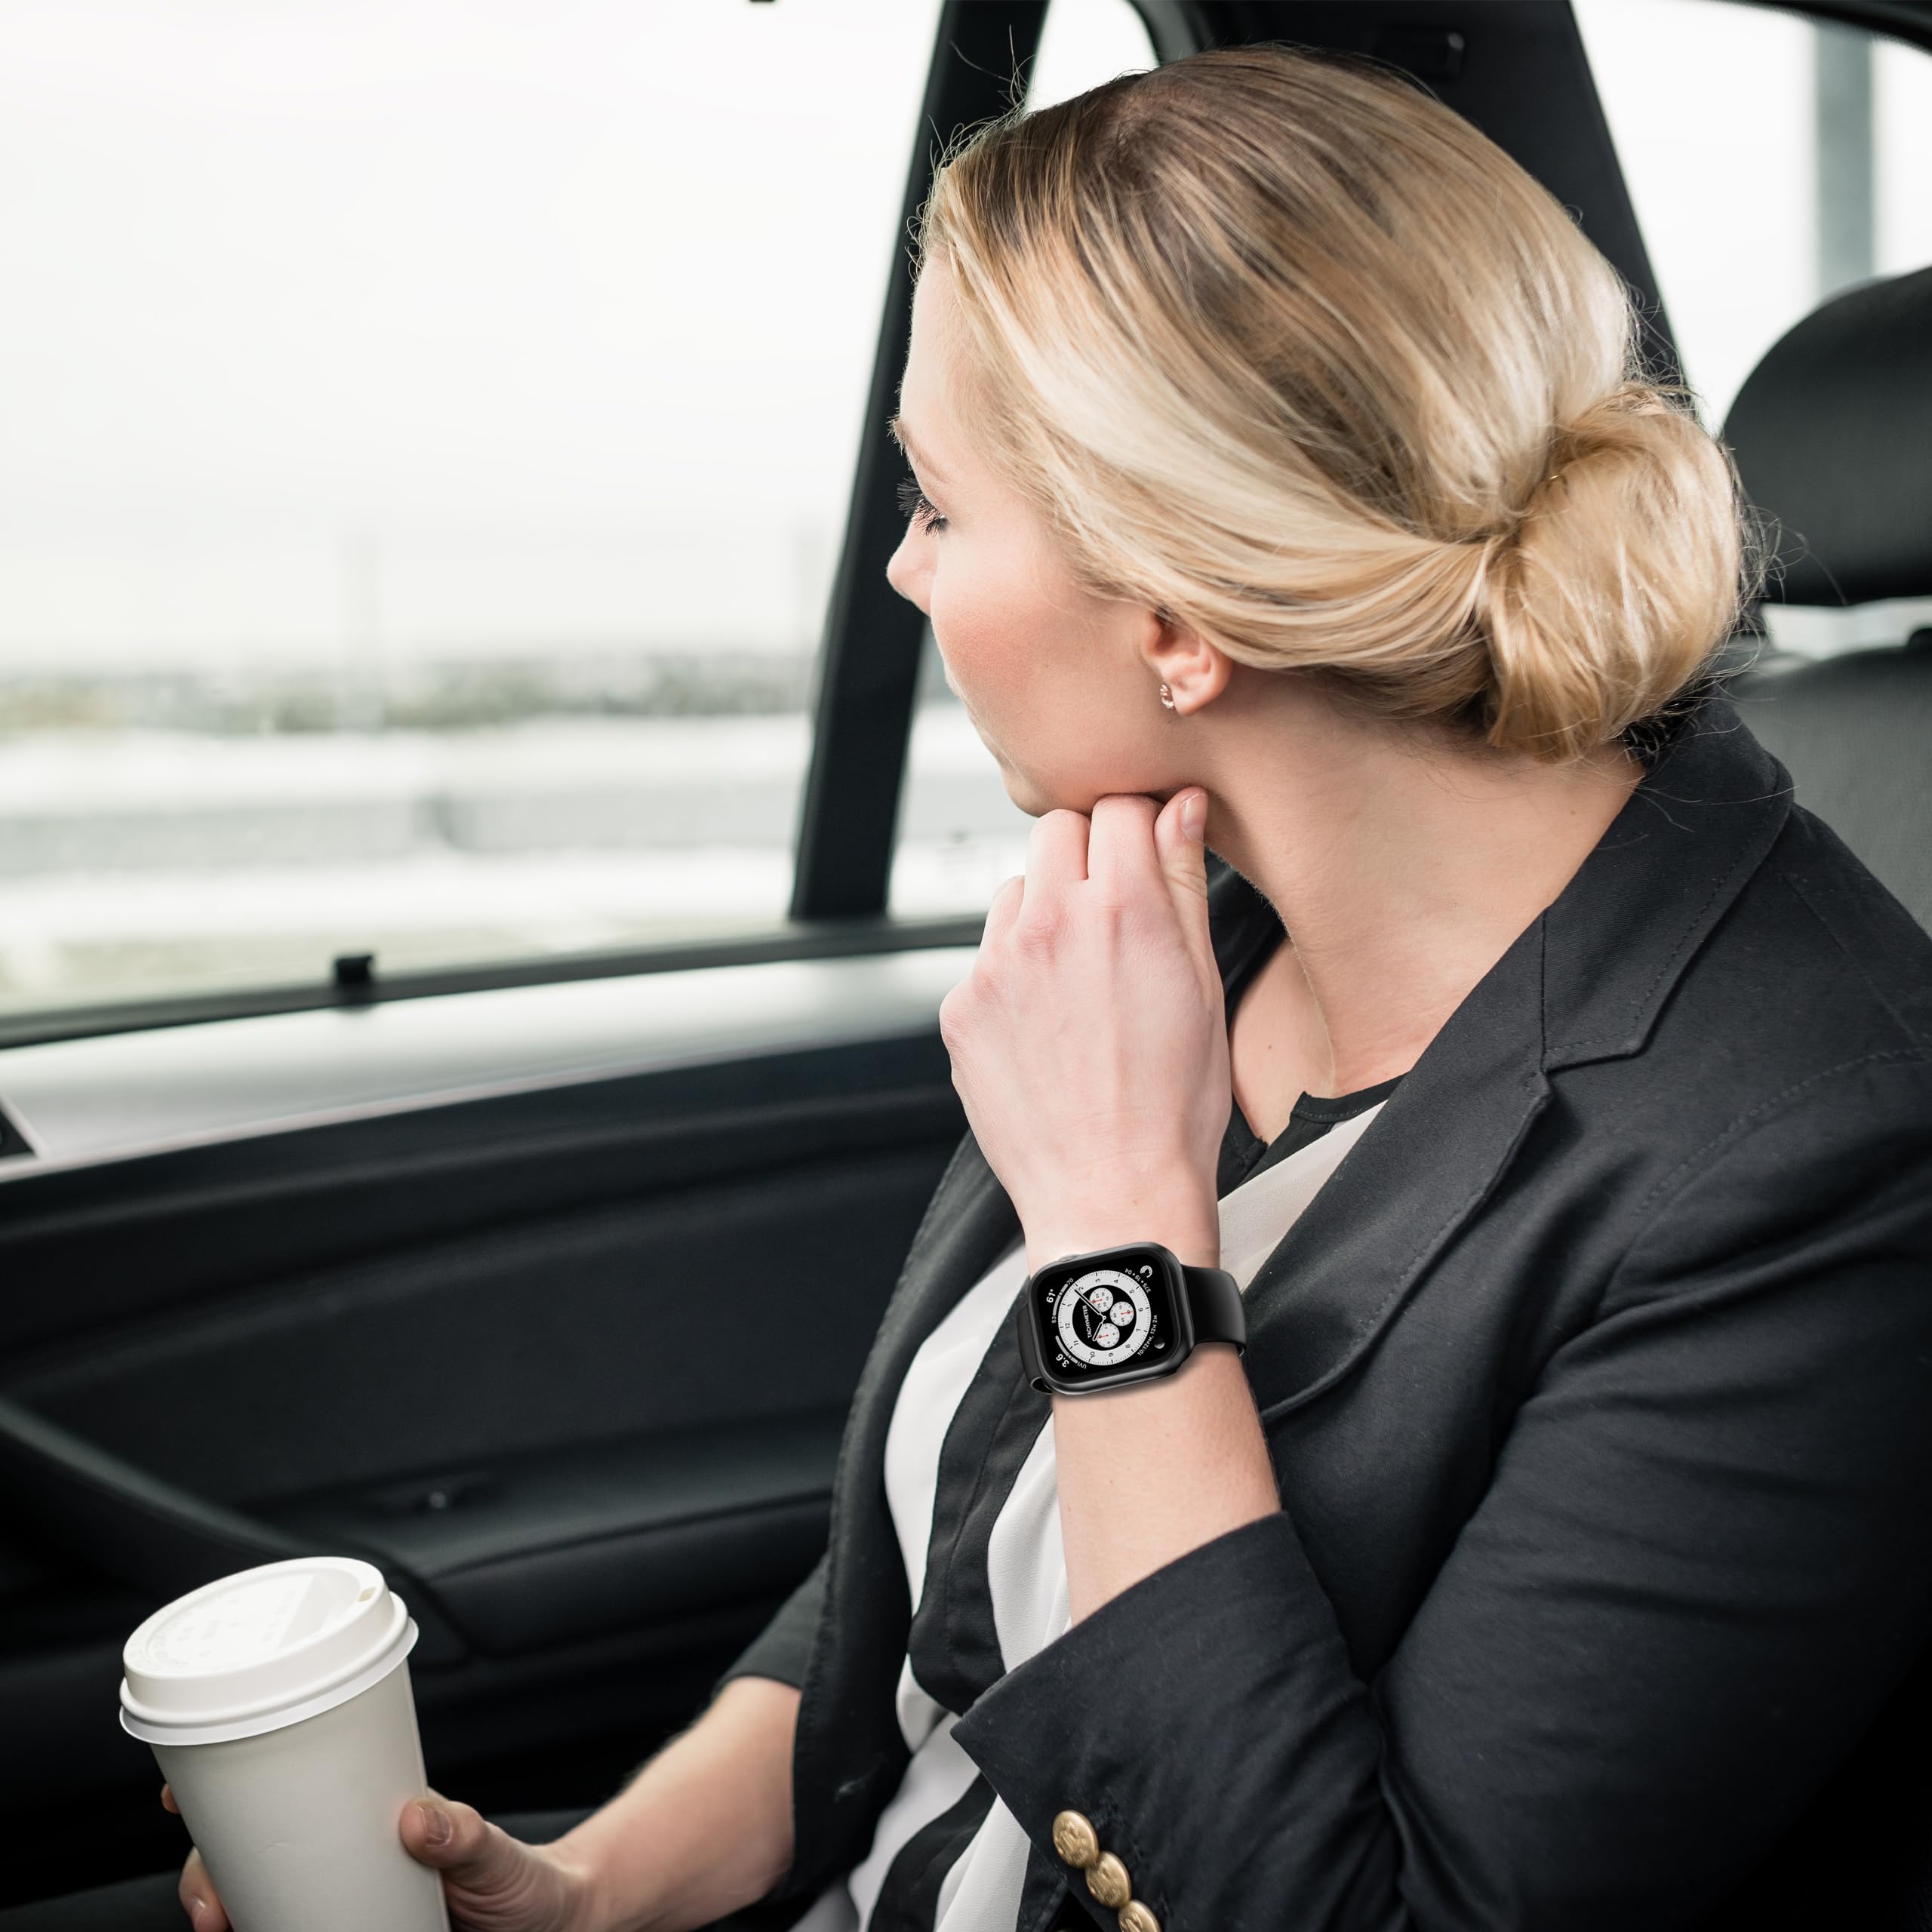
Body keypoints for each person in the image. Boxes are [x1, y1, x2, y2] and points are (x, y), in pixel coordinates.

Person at [161, 43, 1932, 1932]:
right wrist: (589, 1887)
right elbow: (934, 1570)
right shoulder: (1191, 902)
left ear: (1176, 616)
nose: (902, 571)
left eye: (937, 504)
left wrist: (1115, 1236)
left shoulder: (1814, 1162)